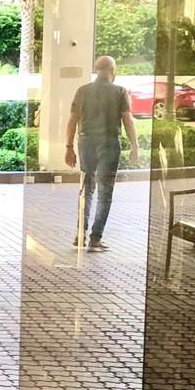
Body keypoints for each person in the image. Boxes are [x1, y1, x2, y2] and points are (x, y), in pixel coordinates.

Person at [64, 55, 139, 252]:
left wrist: (69, 147)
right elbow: (128, 119)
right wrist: (134, 145)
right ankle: (95, 238)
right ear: (112, 70)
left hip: (86, 142)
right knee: (105, 193)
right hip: (109, 143)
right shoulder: (120, 91)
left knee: (86, 188)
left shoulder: (82, 91)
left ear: (96, 70)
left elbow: (72, 121)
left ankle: (80, 233)